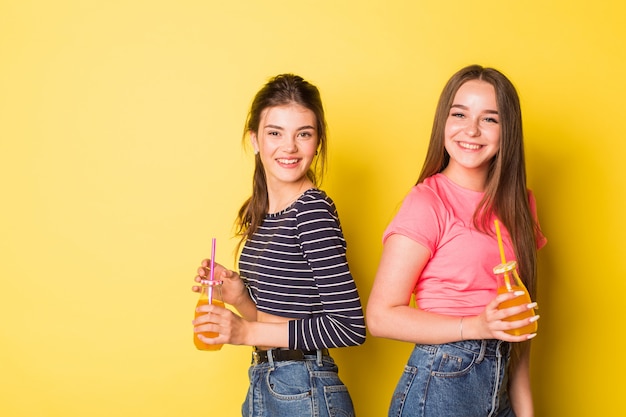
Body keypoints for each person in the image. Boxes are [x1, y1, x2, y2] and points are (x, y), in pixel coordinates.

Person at [366, 65, 547, 417]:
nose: (472, 130)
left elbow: (520, 329)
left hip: (500, 383)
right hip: (442, 383)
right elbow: (380, 316)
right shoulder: (426, 202)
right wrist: (476, 325)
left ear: (507, 130)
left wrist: (526, 412)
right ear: (443, 122)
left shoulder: (521, 204)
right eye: (459, 114)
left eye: (490, 119)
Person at [192, 73, 366, 417]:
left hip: (305, 388)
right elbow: (271, 324)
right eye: (275, 133)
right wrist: (240, 296)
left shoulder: (311, 210)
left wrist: (244, 331)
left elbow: (349, 325)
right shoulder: (261, 213)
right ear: (255, 139)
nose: (289, 147)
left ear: (317, 142)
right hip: (266, 380)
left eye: (304, 134)